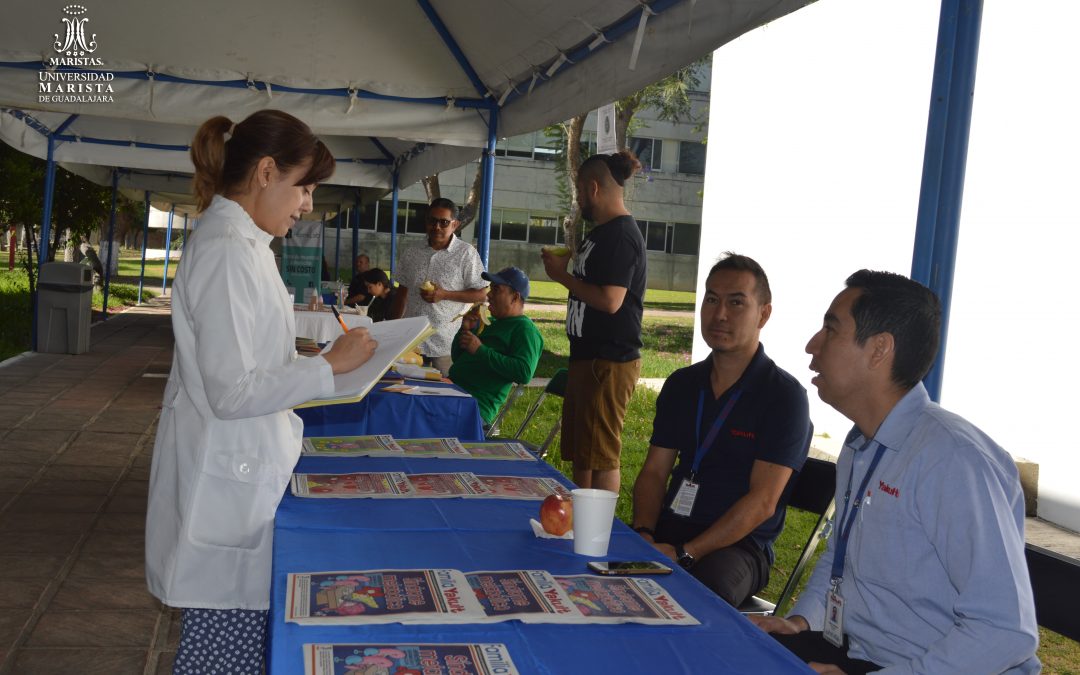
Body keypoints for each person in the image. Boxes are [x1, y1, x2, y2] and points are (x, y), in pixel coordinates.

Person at [145, 110, 378, 674]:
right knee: (222, 650)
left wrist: (309, 360)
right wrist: (326, 366)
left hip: (240, 464)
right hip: (227, 476)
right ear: (267, 171)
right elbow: (231, 391)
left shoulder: (243, 242)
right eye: (304, 187)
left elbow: (243, 355)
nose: (306, 205)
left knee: (237, 643)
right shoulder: (227, 249)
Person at [750, 270, 1039, 674]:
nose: (811, 345)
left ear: (879, 350)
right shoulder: (860, 446)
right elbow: (840, 554)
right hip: (864, 654)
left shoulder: (953, 460)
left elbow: (1005, 630)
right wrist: (802, 622)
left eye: (830, 330)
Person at [630, 253, 811, 608]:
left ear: (764, 313)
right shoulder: (683, 384)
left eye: (736, 302)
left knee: (696, 599)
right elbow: (654, 472)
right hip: (669, 529)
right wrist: (643, 533)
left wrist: (686, 553)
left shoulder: (784, 397)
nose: (720, 314)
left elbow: (762, 503)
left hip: (738, 547)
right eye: (711, 299)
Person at [541, 150, 646, 492]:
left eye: (579, 192)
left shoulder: (621, 235)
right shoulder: (601, 233)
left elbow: (611, 301)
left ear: (594, 188)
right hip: (588, 358)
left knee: (601, 456)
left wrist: (561, 277)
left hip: (609, 360)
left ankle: (600, 532)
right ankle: (579, 519)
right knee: (585, 454)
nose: (579, 200)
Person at [390, 197, 487, 376]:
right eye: (432, 220)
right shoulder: (411, 252)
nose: (437, 227)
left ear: (455, 224)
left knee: (443, 394)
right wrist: (393, 330)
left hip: (445, 343)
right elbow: (401, 294)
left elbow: (482, 294)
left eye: (444, 222)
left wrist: (444, 294)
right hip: (410, 341)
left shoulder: (466, 254)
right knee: (405, 390)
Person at [449, 266, 544, 430]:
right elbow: (458, 358)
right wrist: (465, 330)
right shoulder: (490, 323)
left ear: (514, 297)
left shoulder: (525, 330)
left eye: (496, 289)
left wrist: (481, 351)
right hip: (453, 395)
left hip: (474, 408)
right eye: (490, 288)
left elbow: (524, 372)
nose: (488, 295)